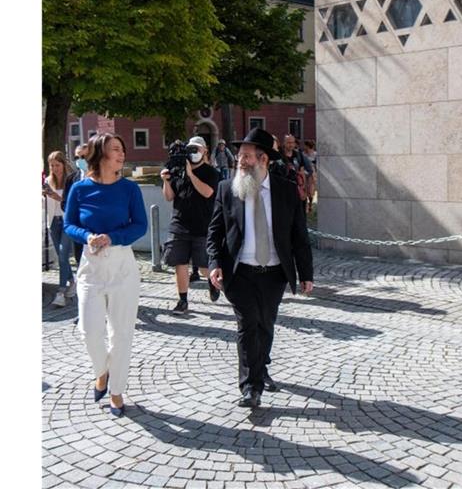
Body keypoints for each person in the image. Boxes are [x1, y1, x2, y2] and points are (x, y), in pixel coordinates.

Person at [207, 127, 313, 408]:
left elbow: (299, 236)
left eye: (248, 156)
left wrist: (306, 274)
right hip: (239, 272)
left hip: (275, 272)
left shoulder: (287, 191)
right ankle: (251, 387)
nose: (241, 161)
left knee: (266, 325)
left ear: (264, 159)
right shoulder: (227, 189)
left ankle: (260, 368)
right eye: (240, 155)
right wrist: (215, 264)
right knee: (247, 326)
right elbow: (214, 233)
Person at [63, 133, 147, 417]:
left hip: (122, 264)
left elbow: (140, 226)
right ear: (100, 155)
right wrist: (87, 236)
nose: (122, 154)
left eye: (122, 149)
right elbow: (68, 224)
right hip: (91, 265)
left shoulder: (130, 189)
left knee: (121, 333)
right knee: (88, 330)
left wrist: (112, 237)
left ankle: (116, 390)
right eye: (115, 150)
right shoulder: (80, 188)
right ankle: (101, 371)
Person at [160, 136, 220, 314]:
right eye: (190, 149)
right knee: (180, 263)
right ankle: (183, 300)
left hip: (202, 226)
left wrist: (191, 174)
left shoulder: (211, 172)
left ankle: (211, 281)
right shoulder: (178, 171)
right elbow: (169, 197)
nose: (193, 153)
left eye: (197, 149)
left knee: (203, 267)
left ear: (204, 152)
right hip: (179, 225)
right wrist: (165, 181)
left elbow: (208, 192)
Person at [43, 151, 76, 306]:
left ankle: (61, 292)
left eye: (58, 165)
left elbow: (74, 203)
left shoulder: (71, 181)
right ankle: (72, 281)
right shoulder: (48, 181)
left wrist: (58, 197)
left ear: (64, 164)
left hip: (67, 221)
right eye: (52, 165)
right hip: (53, 223)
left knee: (63, 255)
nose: (55, 168)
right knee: (60, 256)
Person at [62, 143, 90, 271]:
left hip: (96, 230)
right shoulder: (71, 179)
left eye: (83, 156)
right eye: (77, 157)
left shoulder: (104, 177)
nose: (80, 160)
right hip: (79, 229)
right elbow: (64, 203)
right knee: (81, 263)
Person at [302, 140, 317, 213]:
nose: (304, 147)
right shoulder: (303, 154)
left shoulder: (315, 154)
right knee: (304, 189)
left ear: (308, 146)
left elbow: (317, 165)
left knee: (310, 191)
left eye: (305, 145)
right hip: (304, 173)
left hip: (311, 175)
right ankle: (305, 206)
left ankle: (310, 204)